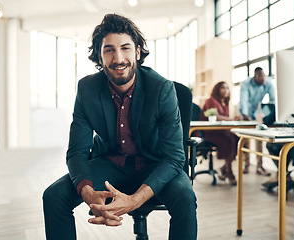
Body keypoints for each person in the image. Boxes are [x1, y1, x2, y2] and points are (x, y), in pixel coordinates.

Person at [42, 13, 197, 240]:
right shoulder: (87, 89)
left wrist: (134, 200)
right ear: (99, 56)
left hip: (156, 164)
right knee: (54, 196)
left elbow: (175, 157)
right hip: (110, 164)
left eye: (125, 48)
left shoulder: (161, 89)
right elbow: (76, 152)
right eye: (109, 50)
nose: (118, 58)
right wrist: (88, 193)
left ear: (137, 51)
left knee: (185, 197)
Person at [199, 81, 241, 185]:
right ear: (217, 90)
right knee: (229, 140)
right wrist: (232, 119)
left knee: (237, 139)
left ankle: (224, 168)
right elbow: (216, 117)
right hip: (211, 133)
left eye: (227, 88)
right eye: (223, 88)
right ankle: (229, 172)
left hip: (222, 131)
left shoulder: (225, 103)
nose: (225, 90)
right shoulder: (211, 101)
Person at [239, 67, 275, 176]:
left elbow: (273, 100)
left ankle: (259, 166)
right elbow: (244, 101)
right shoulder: (246, 84)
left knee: (259, 138)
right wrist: (245, 115)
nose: (263, 79)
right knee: (246, 138)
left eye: (264, 76)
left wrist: (266, 115)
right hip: (244, 112)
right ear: (255, 77)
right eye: (260, 77)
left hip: (257, 112)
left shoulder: (268, 82)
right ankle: (247, 164)